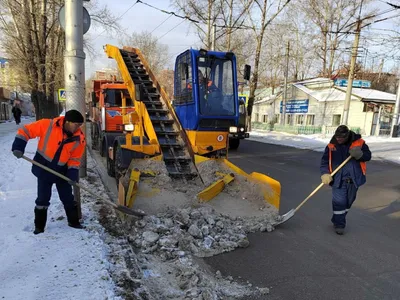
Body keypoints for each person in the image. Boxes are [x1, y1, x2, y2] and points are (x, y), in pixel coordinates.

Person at [11, 109, 86, 234]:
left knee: (68, 198)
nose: (78, 128)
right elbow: (25, 131)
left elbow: (74, 159)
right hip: (43, 169)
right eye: (76, 124)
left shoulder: (79, 139)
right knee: (43, 199)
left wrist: (72, 174)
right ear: (67, 121)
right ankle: (39, 227)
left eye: (80, 125)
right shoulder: (47, 125)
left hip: (62, 172)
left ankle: (73, 222)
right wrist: (18, 146)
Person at [320, 125, 371, 235]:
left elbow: (368, 156)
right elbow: (324, 161)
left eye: (341, 138)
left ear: (347, 136)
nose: (338, 139)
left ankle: (337, 218)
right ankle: (339, 224)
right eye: (337, 137)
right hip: (338, 180)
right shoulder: (331, 146)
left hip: (354, 179)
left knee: (348, 202)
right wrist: (325, 173)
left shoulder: (359, 143)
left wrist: (360, 154)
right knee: (339, 202)